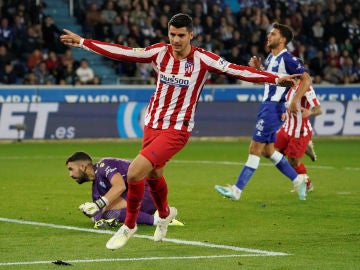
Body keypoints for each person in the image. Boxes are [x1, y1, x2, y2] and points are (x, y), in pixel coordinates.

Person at [60, 14, 301, 250]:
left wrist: (276, 78)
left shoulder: (204, 59)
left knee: (134, 173)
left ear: (191, 35)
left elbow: (238, 70)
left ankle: (129, 226)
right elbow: (122, 52)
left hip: (177, 130)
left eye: (181, 35)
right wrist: (83, 42)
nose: (176, 40)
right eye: (172, 34)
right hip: (152, 125)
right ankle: (164, 214)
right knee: (154, 174)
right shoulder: (159, 53)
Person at [215, 22, 312, 202]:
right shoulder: (270, 58)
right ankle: (298, 179)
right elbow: (270, 82)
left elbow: (306, 80)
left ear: (282, 39)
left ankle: (237, 190)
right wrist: (259, 70)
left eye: (273, 34)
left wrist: (295, 100)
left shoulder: (287, 59)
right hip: (267, 105)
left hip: (273, 107)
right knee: (268, 151)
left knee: (254, 148)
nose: (269, 36)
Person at [65, 151, 184, 228]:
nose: (70, 174)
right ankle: (160, 216)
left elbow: (119, 186)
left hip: (147, 189)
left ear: (83, 167)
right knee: (108, 213)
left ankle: (159, 221)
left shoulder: (103, 165)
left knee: (108, 210)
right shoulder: (96, 188)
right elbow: (98, 214)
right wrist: (92, 212)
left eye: (71, 169)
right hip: (138, 198)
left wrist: (97, 206)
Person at [274, 80, 322, 193]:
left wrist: (310, 112)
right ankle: (306, 147)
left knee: (293, 162)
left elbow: (319, 110)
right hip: (286, 128)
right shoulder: (287, 83)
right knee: (270, 151)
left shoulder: (307, 88)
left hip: (300, 132)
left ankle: (307, 185)